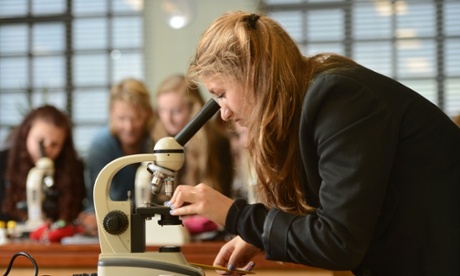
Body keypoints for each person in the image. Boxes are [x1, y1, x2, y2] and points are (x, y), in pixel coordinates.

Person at [166, 11, 460, 275]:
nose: (225, 113)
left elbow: (338, 240)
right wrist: (258, 234)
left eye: (221, 94)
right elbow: (325, 214)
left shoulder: (337, 98)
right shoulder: (312, 96)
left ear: (252, 72)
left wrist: (235, 215)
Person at [81, 78, 153, 236]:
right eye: (121, 118)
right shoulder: (100, 145)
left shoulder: (155, 140)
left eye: (136, 118)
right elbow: (99, 198)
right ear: (111, 115)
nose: (129, 127)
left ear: (148, 113)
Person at [0, 105, 85, 229]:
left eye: (54, 144)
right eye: (40, 141)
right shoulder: (3, 161)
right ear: (26, 134)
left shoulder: (74, 169)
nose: (46, 150)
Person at [152, 74, 234, 198]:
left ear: (193, 109)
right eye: (162, 110)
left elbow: (223, 194)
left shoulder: (217, 142)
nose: (168, 119)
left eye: (176, 111)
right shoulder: (156, 141)